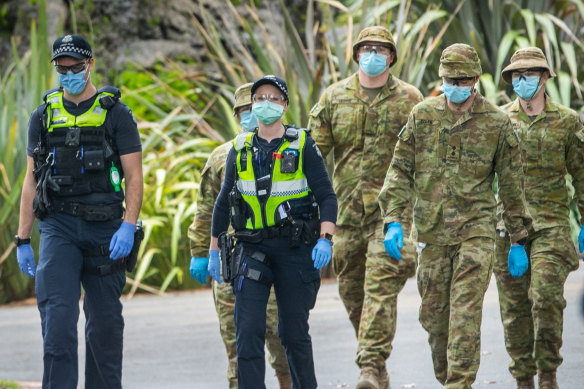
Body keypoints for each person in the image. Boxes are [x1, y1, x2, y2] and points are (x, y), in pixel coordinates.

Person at [379, 43, 532, 388]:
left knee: (464, 315)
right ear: (441, 78)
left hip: (475, 232)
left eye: (463, 79)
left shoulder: (497, 122)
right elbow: (400, 170)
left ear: (476, 79)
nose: (456, 85)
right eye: (451, 79)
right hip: (431, 235)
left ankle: (459, 383)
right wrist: (393, 220)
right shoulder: (422, 115)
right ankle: (448, 377)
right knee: (436, 321)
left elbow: (511, 185)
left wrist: (518, 239)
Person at [15, 34, 143, 388]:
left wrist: (128, 226)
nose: (69, 73)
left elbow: (134, 176)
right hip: (59, 228)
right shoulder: (42, 116)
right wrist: (22, 238)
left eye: (75, 66)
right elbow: (30, 180)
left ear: (90, 65)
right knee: (57, 326)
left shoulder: (116, 114)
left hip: (106, 230)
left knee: (104, 329)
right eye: (62, 67)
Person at [307, 25, 423, 387]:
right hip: (346, 217)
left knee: (380, 285)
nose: (373, 55)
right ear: (357, 54)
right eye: (366, 48)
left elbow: (426, 158)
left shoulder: (409, 99)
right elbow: (313, 156)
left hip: (392, 215)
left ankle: (370, 366)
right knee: (352, 292)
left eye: (380, 49)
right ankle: (377, 367)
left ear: (391, 56)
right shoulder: (333, 97)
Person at [209, 75, 337, 389]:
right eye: (259, 98)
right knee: (248, 330)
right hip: (252, 249)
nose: (266, 104)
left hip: (295, 249)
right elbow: (223, 201)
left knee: (293, 333)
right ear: (251, 105)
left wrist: (326, 238)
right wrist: (212, 250)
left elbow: (327, 196)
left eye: (273, 98)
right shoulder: (239, 149)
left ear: (284, 106)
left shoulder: (302, 143)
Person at [187, 82, 291, 388]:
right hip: (232, 262)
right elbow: (205, 209)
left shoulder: (289, 148)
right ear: (237, 115)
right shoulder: (222, 157)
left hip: (275, 258)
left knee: (280, 338)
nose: (253, 114)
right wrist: (198, 252)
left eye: (256, 107)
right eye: (246, 110)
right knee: (237, 345)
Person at [493, 47, 584, 389]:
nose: (522, 80)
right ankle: (524, 379)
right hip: (508, 231)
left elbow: (581, 174)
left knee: (545, 299)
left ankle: (547, 374)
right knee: (515, 311)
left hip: (551, 226)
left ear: (545, 77)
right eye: (517, 75)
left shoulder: (567, 122)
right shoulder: (499, 121)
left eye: (529, 74)